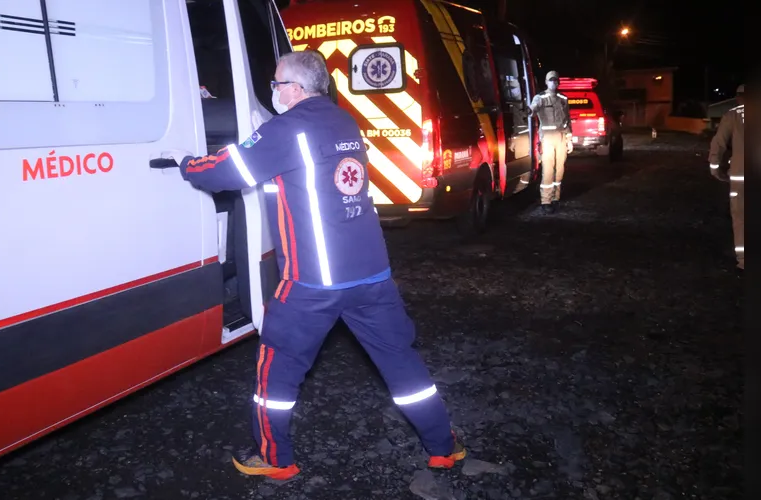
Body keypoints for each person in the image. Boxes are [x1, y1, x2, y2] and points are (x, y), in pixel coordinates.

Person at [175, 51, 466, 480]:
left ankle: (276, 459)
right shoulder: (342, 122)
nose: (272, 91)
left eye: (276, 84)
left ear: (293, 88)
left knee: (277, 365)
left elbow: (225, 171)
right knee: (402, 363)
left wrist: (185, 162)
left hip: (315, 281)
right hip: (372, 274)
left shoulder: (288, 127)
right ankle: (445, 447)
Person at [708, 84, 745, 270]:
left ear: (738, 97)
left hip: (740, 177)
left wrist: (715, 167)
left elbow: (719, 143)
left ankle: (744, 261)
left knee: (740, 218)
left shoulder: (732, 115)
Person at [527, 70, 573, 213]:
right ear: (546, 82)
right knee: (548, 169)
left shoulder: (563, 99)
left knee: (559, 170)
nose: (553, 82)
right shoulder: (540, 98)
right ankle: (545, 201)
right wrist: (529, 110)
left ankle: (555, 198)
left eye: (555, 80)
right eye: (551, 80)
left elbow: (567, 120)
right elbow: (532, 109)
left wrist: (569, 140)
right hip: (547, 138)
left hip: (561, 138)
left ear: (558, 82)